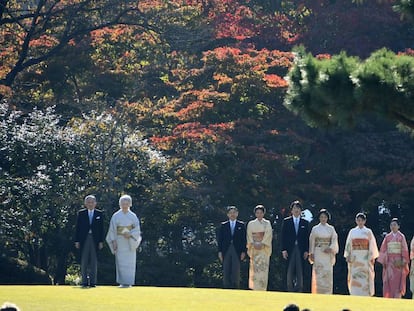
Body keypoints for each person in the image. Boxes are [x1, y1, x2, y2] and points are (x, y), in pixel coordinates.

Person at [106, 194, 142, 288]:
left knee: (130, 263)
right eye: (123, 203)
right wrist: (113, 241)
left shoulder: (133, 216)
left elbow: (137, 229)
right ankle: (122, 282)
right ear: (120, 204)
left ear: (130, 204)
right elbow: (112, 229)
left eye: (126, 203)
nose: (125, 205)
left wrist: (130, 234)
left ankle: (129, 282)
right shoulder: (116, 216)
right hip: (120, 240)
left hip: (129, 241)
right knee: (120, 262)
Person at [344, 212, 379, 296]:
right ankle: (354, 293)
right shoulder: (352, 231)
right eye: (358, 220)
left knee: (365, 275)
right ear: (356, 221)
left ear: (364, 221)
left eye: (361, 220)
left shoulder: (368, 232)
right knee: (355, 274)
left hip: (365, 257)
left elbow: (372, 244)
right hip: (355, 256)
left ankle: (366, 293)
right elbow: (348, 244)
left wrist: (372, 257)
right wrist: (348, 255)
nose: (360, 222)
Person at [74, 195, 104, 288]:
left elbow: (102, 229)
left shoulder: (99, 214)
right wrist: (77, 240)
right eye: (88, 202)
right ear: (85, 203)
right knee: (84, 260)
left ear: (95, 203)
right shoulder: (81, 213)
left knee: (94, 261)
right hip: (84, 239)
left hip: (95, 239)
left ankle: (93, 282)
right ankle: (84, 282)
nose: (90, 204)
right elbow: (77, 228)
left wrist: (101, 241)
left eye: (92, 202)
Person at [281, 200, 310, 292]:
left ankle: (299, 288)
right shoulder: (286, 221)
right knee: (289, 268)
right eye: (294, 208)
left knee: (300, 269)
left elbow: (307, 238)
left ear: (301, 210)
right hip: (290, 248)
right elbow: (283, 236)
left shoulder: (305, 223)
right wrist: (283, 249)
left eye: (298, 208)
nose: (296, 210)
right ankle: (289, 288)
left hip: (301, 249)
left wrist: (306, 250)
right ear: (291, 210)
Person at [308, 209, 339, 294]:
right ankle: (317, 291)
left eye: (325, 217)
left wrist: (331, 248)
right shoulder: (315, 229)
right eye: (321, 217)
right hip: (318, 252)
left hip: (327, 253)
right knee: (318, 272)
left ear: (327, 218)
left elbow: (334, 240)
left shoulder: (331, 229)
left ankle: (327, 292)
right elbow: (312, 241)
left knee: (327, 272)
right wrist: (312, 253)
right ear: (319, 218)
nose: (323, 219)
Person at [377, 218, 409, 298]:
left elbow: (404, 250)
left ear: (398, 226)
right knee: (389, 281)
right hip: (389, 263)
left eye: (395, 225)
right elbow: (383, 249)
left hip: (398, 263)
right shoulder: (387, 237)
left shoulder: (401, 237)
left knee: (398, 282)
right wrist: (384, 260)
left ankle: (397, 297)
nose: (393, 226)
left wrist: (403, 261)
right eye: (391, 225)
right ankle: (389, 297)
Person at [217, 206, 247, 289]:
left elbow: (244, 239)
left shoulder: (241, 225)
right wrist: (219, 251)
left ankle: (235, 286)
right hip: (226, 249)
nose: (232, 214)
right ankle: (226, 286)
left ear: (237, 214)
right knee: (226, 268)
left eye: (234, 212)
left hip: (237, 249)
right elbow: (220, 239)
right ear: (227, 214)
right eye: (230, 213)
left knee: (236, 269)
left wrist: (243, 251)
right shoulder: (223, 225)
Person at [246, 204, 273, 290]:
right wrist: (253, 243)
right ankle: (254, 288)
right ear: (255, 214)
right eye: (257, 213)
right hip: (254, 249)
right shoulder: (251, 224)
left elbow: (269, 234)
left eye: (261, 213)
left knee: (263, 269)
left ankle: (262, 288)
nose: (259, 214)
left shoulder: (267, 223)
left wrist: (262, 243)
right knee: (254, 270)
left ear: (263, 213)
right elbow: (249, 236)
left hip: (263, 249)